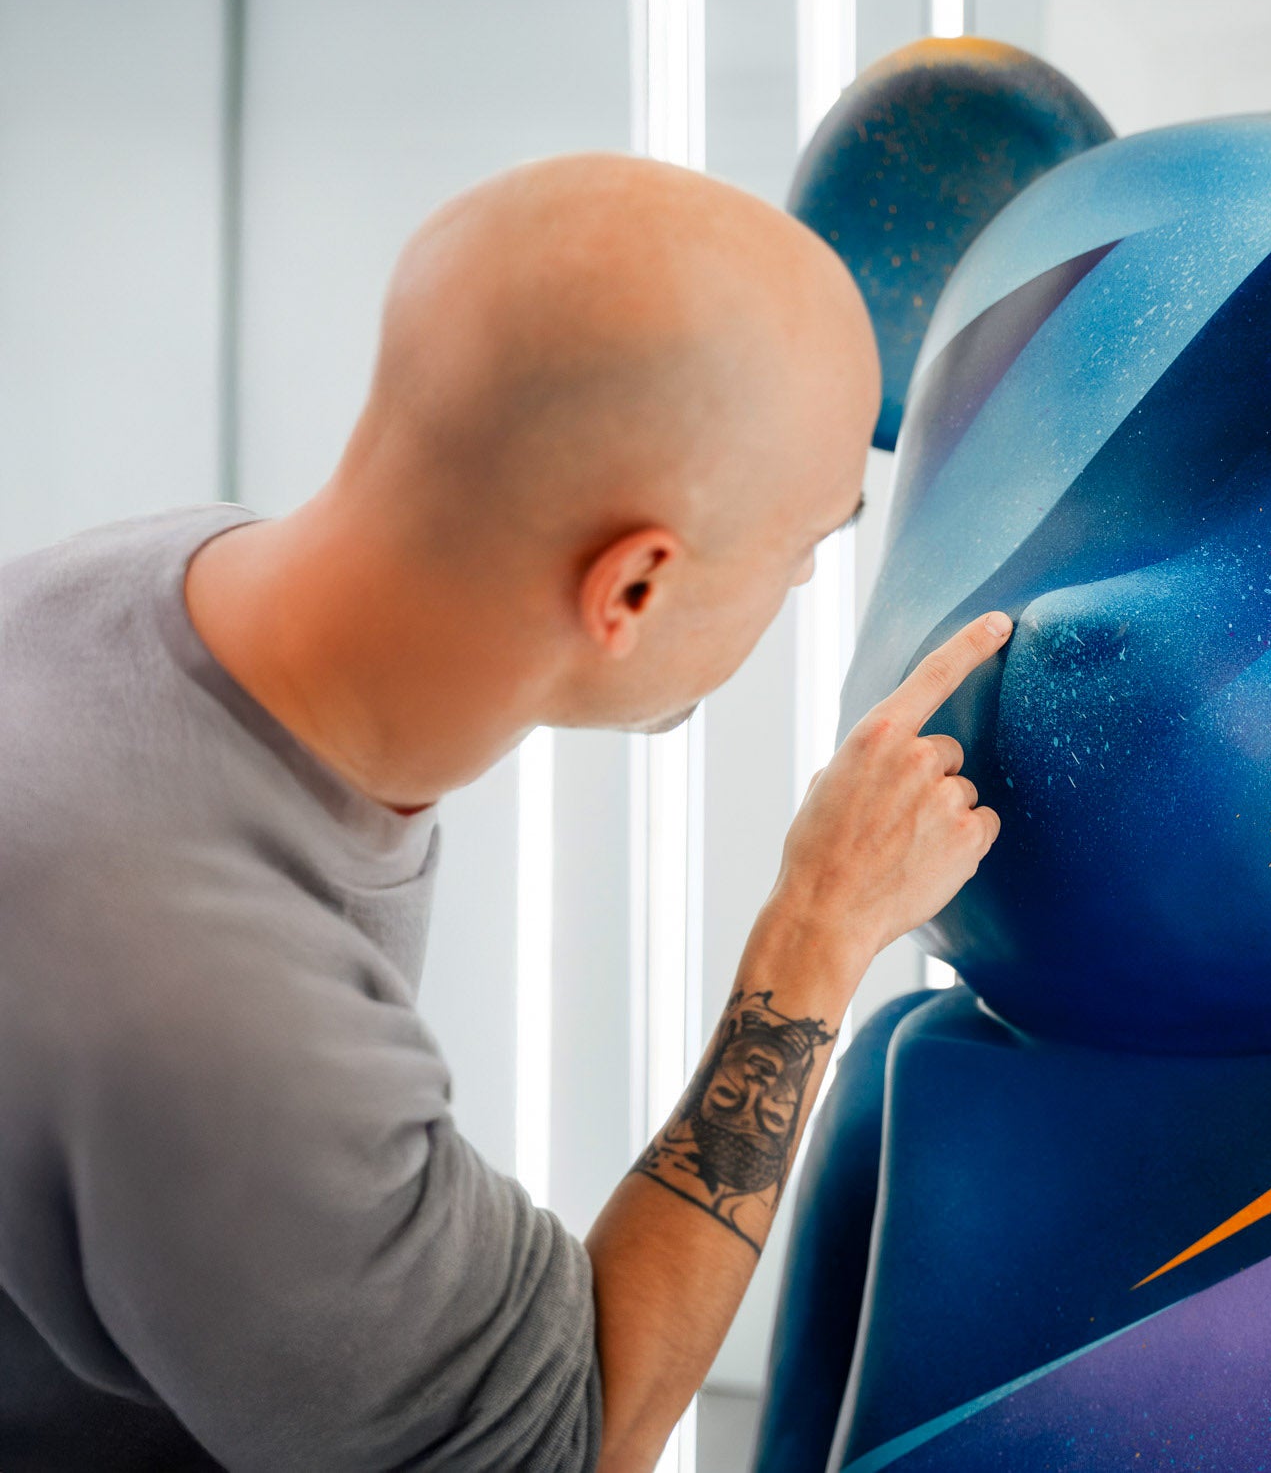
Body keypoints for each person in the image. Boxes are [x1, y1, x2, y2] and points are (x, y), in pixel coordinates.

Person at [0, 152, 1010, 1473]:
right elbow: (575, 1444)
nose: (807, 588)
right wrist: (817, 932)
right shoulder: (229, 1028)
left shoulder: (114, 585)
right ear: (635, 588)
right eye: (808, 550)